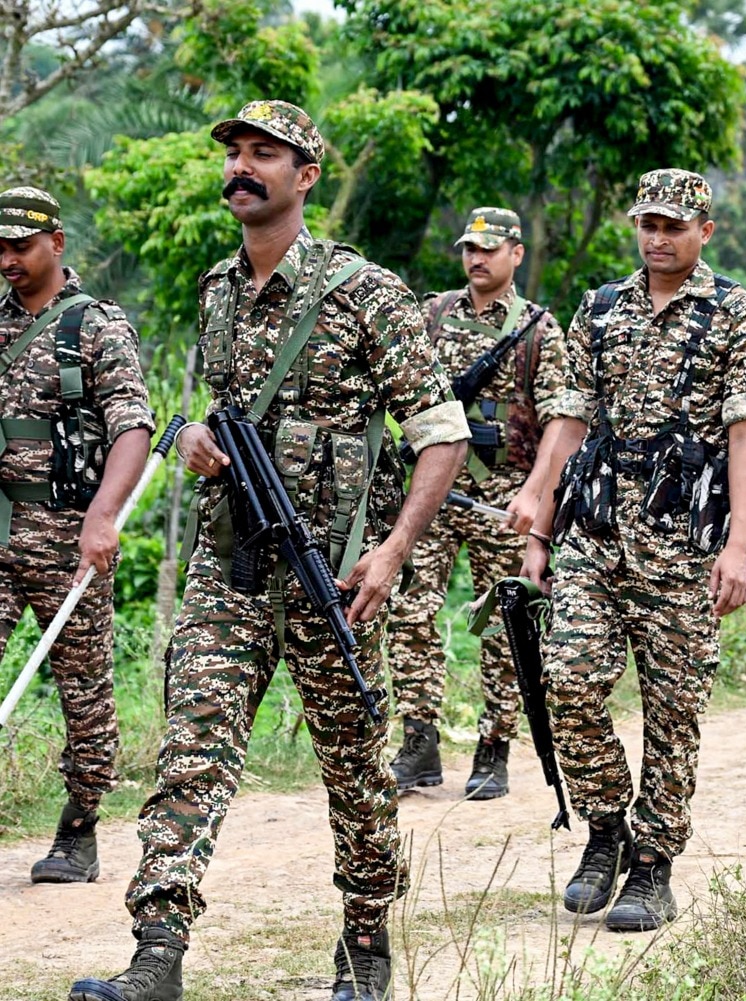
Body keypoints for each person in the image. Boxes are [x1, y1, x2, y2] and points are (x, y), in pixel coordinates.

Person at [70, 101, 469, 1001]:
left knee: (356, 767)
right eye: (236, 156)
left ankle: (365, 948)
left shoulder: (366, 294)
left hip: (335, 574)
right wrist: (195, 441)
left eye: (265, 156)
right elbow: (220, 415)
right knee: (192, 749)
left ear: (307, 176)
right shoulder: (217, 289)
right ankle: (157, 955)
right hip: (230, 565)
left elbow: (441, 432)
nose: (242, 169)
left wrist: (396, 549)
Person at [518, 169, 746, 933]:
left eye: (673, 225)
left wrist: (738, 547)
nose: (658, 238)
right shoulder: (599, 309)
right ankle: (605, 828)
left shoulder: (738, 317)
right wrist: (536, 512)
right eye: (648, 224)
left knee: (673, 707)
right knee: (568, 678)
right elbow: (567, 415)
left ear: (705, 231)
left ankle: (654, 864)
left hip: (684, 539)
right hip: (594, 530)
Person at [0, 186, 154, 885]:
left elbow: (132, 426)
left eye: (21, 246)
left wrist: (102, 517)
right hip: (0, 526)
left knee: (83, 689)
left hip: (69, 537)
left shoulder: (96, 326)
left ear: (56, 243)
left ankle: (80, 826)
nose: (8, 259)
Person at [385, 207, 564, 798]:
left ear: (517, 253)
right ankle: (418, 743)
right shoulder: (431, 313)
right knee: (411, 610)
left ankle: (494, 747)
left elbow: (560, 425)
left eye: (490, 249)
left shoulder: (538, 330)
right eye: (469, 248)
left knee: (501, 625)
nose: (476, 258)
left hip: (502, 499)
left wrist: (537, 498)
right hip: (434, 489)